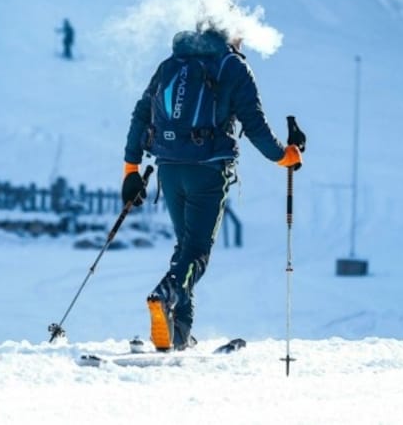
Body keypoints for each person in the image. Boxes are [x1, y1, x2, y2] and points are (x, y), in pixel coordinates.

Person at [121, 23, 305, 351]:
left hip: (169, 169)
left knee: (186, 246)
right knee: (198, 251)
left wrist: (130, 169)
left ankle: (178, 330)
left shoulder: (171, 64)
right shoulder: (232, 65)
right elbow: (256, 127)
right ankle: (167, 294)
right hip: (208, 171)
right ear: (231, 32)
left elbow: (141, 113)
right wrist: (285, 157)